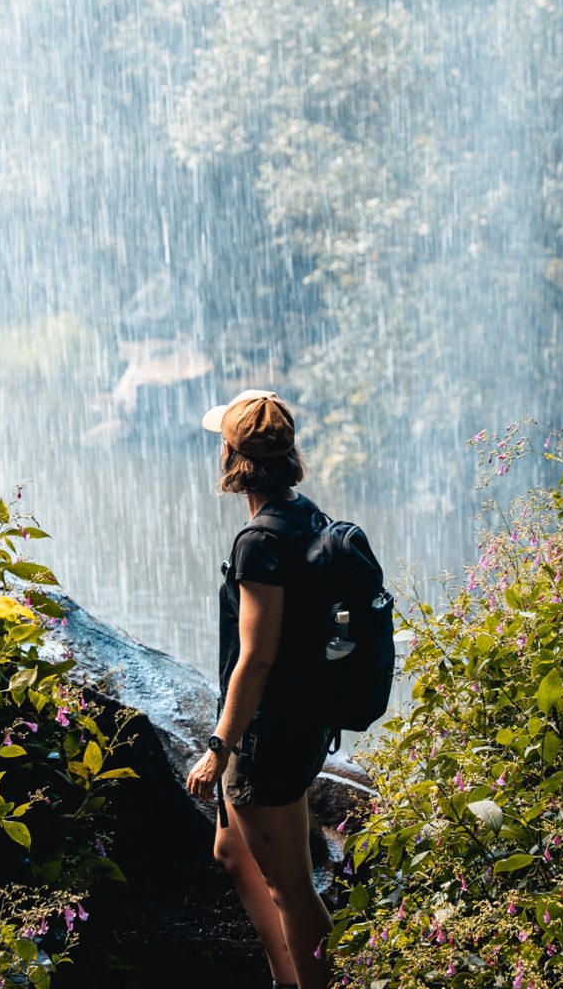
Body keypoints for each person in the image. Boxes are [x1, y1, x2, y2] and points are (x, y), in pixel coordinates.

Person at [184, 389, 333, 989]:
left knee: (293, 891)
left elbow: (256, 657)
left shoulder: (259, 544)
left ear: (231, 455)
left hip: (266, 738)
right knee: (232, 853)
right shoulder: (307, 517)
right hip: (299, 722)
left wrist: (218, 747)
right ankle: (285, 978)